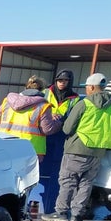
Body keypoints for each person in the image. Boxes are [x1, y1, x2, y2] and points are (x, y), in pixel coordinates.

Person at [42, 73, 111, 221]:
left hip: (77, 147)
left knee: (68, 181)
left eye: (87, 87)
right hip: (98, 151)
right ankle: (77, 216)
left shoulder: (84, 103)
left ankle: (61, 213)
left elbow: (68, 128)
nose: (87, 90)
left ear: (92, 87)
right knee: (86, 183)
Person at [0, 75, 62, 162]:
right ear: (43, 90)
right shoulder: (43, 106)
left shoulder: (7, 102)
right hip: (30, 150)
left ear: (26, 87)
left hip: (5, 147)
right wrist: (58, 122)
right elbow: (48, 129)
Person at [38, 69, 81, 213]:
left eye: (65, 81)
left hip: (61, 136)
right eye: (59, 80)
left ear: (70, 82)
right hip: (44, 135)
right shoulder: (45, 93)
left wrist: (62, 119)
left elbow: (74, 118)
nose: (62, 83)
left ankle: (50, 207)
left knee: (56, 174)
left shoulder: (75, 99)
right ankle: (37, 205)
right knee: (40, 172)